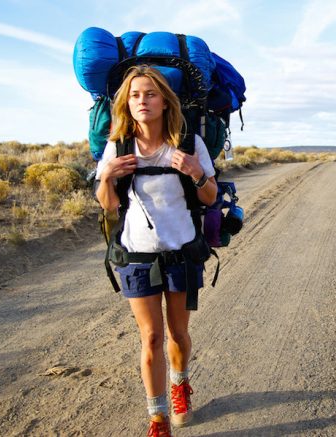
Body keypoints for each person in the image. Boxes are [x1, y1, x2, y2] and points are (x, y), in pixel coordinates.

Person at [95, 64, 217, 435]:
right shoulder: (117, 146)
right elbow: (108, 206)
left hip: (180, 252)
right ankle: (158, 418)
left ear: (164, 101)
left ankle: (181, 387)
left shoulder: (189, 143)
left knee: (178, 334)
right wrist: (107, 175)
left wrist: (196, 171)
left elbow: (210, 197)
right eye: (134, 95)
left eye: (149, 94)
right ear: (126, 104)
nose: (141, 101)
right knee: (150, 337)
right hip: (136, 255)